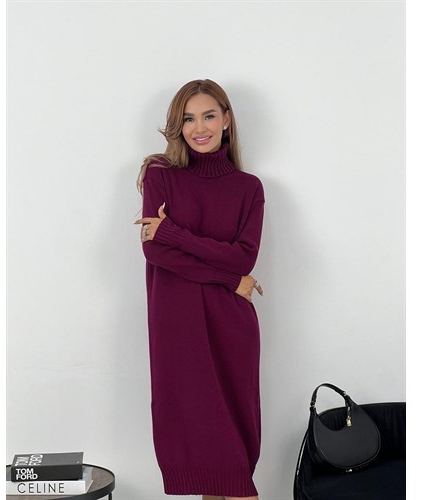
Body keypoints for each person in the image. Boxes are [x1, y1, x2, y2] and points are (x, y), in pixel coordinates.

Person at [134, 79, 265, 500]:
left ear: (226, 119)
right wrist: (229, 279)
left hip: (231, 325)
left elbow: (243, 258)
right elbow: (155, 252)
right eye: (188, 119)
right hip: (179, 326)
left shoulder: (249, 188)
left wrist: (173, 232)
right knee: (207, 452)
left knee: (235, 452)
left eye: (208, 116)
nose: (199, 128)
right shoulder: (160, 175)